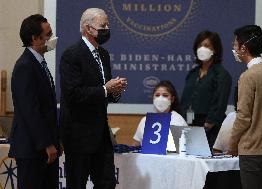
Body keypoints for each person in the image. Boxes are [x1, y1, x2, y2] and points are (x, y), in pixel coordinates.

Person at [59, 8, 127, 189]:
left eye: (108, 25)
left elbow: (104, 94)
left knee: (107, 183)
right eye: (103, 25)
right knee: (77, 184)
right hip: (78, 134)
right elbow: (73, 94)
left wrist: (115, 91)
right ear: (88, 29)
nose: (107, 29)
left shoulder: (103, 55)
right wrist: (106, 88)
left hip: (101, 133)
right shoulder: (71, 55)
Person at [8, 14, 59, 189]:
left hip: (44, 148)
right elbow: (31, 111)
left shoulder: (40, 63)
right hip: (32, 149)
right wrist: (47, 143)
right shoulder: (25, 66)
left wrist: (55, 140)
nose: (52, 38)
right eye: (48, 34)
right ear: (34, 38)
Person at [228, 25, 262, 189]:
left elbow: (243, 116)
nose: (234, 49)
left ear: (244, 48)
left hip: (252, 149)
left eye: (235, 45)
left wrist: (232, 143)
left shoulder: (248, 76)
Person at [180, 30, 232, 149]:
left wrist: (208, 124)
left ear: (215, 49)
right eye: (200, 45)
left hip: (211, 128)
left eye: (207, 45)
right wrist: (187, 123)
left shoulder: (221, 74)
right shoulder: (193, 73)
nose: (202, 48)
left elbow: (219, 103)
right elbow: (187, 101)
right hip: (191, 125)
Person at [133, 80, 188, 151]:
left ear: (172, 99)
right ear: (153, 98)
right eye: (157, 95)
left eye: (165, 95)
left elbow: (185, 148)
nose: (160, 98)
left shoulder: (178, 120)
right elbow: (135, 145)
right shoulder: (145, 120)